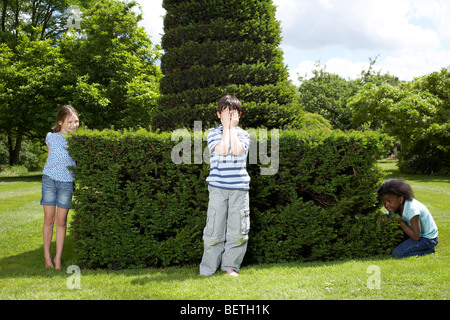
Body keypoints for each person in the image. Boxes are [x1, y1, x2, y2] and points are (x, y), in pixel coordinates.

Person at [200, 95, 250, 277]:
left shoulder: (244, 134)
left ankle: (230, 267)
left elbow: (236, 151)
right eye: (225, 113)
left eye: (233, 114)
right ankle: (207, 269)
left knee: (238, 230)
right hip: (218, 187)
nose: (229, 116)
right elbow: (222, 149)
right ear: (218, 115)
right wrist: (227, 128)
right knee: (214, 228)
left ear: (239, 115)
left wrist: (232, 128)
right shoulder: (212, 133)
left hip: (239, 188)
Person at [40, 105, 79, 269]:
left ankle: (58, 259)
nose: (73, 125)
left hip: (66, 183)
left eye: (76, 121)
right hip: (49, 180)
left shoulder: (78, 141)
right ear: (61, 122)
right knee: (49, 220)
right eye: (70, 121)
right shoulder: (51, 137)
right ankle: (47, 257)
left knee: (61, 222)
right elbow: (51, 158)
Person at [377, 178, 438, 258]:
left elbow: (416, 237)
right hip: (414, 234)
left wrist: (399, 222)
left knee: (398, 253)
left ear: (400, 199)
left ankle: (428, 250)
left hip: (427, 238)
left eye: (389, 201)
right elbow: (390, 215)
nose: (386, 205)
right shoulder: (398, 206)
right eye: (384, 202)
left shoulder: (412, 209)